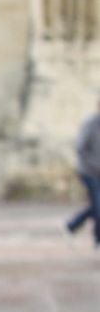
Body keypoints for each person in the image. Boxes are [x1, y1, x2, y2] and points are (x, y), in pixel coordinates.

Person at [66, 99, 100, 243]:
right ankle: (98, 238)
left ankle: (73, 224)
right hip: (90, 172)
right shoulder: (91, 125)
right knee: (98, 205)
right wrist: (93, 165)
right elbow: (80, 148)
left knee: (97, 205)